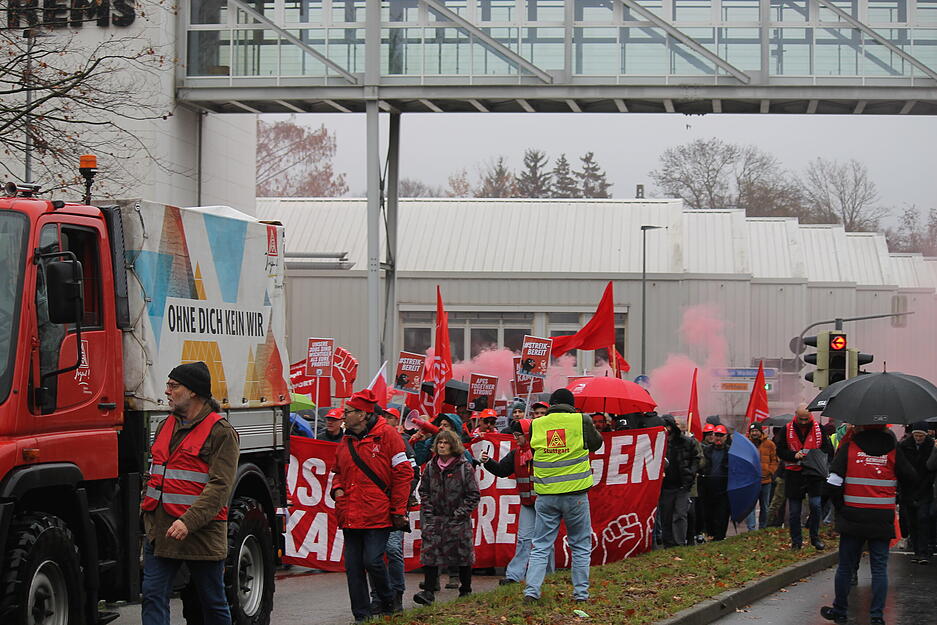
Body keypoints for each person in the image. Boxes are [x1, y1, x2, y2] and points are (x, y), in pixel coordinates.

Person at [141, 362, 239, 625]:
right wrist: (145, 513)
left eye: (174, 386)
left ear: (194, 391)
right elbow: (154, 473)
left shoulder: (221, 432)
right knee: (152, 596)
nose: (167, 391)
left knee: (212, 602)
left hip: (201, 534)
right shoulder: (164, 426)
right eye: (168, 385)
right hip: (161, 532)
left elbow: (220, 487)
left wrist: (188, 521)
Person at [819, 424, 918, 625]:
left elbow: (833, 483)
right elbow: (911, 477)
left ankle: (840, 611)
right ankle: (877, 616)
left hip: (852, 517)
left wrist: (841, 507)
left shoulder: (849, 448)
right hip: (881, 519)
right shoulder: (893, 450)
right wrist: (898, 497)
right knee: (879, 569)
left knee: (846, 567)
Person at [331, 389, 413, 623]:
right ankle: (362, 616)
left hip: (377, 512)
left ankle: (387, 600)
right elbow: (338, 471)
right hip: (350, 512)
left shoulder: (388, 436)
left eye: (348, 412)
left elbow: (403, 473)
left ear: (362, 414)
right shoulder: (346, 440)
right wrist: (337, 489)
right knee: (353, 567)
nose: (343, 416)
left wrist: (398, 509)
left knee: (373, 561)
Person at [524, 388, 603, 603]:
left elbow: (534, 449)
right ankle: (581, 594)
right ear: (572, 405)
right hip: (575, 494)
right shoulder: (581, 420)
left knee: (541, 545)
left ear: (551, 405)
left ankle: (531, 591)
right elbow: (596, 444)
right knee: (580, 545)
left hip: (546, 494)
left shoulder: (536, 424)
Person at [479, 419, 554, 584]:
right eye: (514, 435)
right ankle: (514, 576)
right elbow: (502, 470)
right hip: (528, 504)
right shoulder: (515, 454)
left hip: (544, 503)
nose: (515, 438)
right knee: (524, 539)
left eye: (518, 435)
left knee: (544, 540)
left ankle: (548, 576)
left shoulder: (543, 451)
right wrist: (488, 461)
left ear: (528, 434)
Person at [413, 430, 481, 605]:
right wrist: (429, 512)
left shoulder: (464, 467)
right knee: (430, 553)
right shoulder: (431, 466)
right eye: (440, 442)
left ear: (453, 445)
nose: (442, 446)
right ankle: (428, 591)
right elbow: (424, 491)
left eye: (445, 443)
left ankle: (465, 590)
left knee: (462, 554)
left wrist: (459, 514)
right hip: (435, 518)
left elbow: (473, 495)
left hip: (458, 519)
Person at [777, 405, 833, 550]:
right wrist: (793, 455)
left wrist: (813, 456)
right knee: (794, 511)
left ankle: (815, 537)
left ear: (811, 417)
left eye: (806, 419)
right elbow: (780, 450)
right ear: (796, 415)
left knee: (816, 506)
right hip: (794, 473)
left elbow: (828, 449)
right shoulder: (786, 429)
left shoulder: (819, 429)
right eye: (800, 419)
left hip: (813, 474)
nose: (803, 422)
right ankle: (796, 541)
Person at [658, 415, 700, 547]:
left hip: (683, 485)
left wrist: (691, 472)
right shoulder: (659, 442)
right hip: (665, 486)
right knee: (666, 516)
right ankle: (668, 543)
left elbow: (697, 458)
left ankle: (679, 543)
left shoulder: (687, 442)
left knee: (680, 515)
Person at [898, 422, 935, 564]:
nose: (918, 438)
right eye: (916, 435)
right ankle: (917, 552)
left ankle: (924, 552)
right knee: (912, 521)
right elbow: (901, 467)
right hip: (909, 489)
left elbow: (931, 469)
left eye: (921, 436)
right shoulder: (904, 446)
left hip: (925, 488)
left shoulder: (931, 446)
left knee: (923, 519)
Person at [699, 424, 732, 541]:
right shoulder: (707, 450)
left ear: (725, 437)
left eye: (721, 435)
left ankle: (720, 536)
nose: (718, 438)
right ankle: (711, 535)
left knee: (722, 514)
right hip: (708, 488)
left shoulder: (730, 451)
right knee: (708, 513)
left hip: (724, 489)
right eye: (716, 435)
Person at [746, 424, 779, 531]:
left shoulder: (770, 444)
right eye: (752, 431)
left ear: (761, 432)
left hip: (766, 480)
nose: (754, 433)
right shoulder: (746, 444)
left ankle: (763, 528)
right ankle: (751, 529)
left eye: (756, 431)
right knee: (750, 506)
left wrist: (770, 471)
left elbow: (775, 460)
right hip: (751, 482)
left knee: (764, 506)